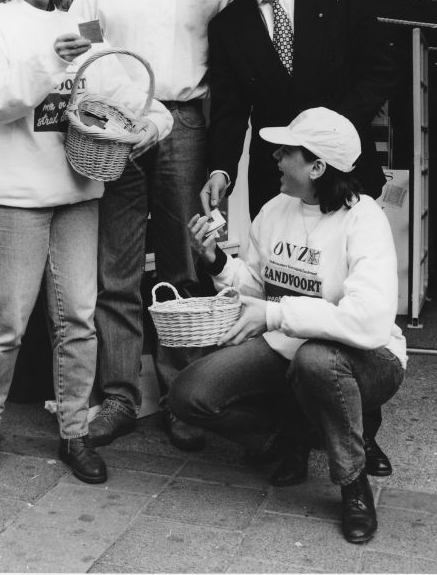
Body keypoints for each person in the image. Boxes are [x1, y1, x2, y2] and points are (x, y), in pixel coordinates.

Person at [0, 0, 173, 484]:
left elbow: (130, 91)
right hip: (13, 195)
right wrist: (51, 59)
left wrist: (152, 125)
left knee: (79, 319)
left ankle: (74, 432)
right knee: (7, 321)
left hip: (78, 193)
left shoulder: (83, 28)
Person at [199, 0, 395, 476]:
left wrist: (327, 138)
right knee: (288, 300)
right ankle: (292, 433)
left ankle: (362, 432)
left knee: (345, 300)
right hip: (278, 182)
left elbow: (380, 70)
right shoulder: (230, 25)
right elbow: (230, 110)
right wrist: (220, 171)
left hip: (347, 172)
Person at [169, 107, 407, 544]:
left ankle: (353, 483)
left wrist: (276, 315)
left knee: (317, 360)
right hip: (286, 348)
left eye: (287, 151)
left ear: (317, 167)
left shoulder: (364, 219)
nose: (275, 156)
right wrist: (216, 261)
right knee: (188, 395)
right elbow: (257, 286)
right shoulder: (276, 209)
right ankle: (291, 436)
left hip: (368, 359)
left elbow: (369, 321)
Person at [69, 0, 235, 451]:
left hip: (184, 123)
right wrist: (120, 107)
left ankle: (183, 398)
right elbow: (82, 45)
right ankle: (120, 398)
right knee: (115, 267)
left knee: (182, 264)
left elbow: (235, 61)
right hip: (116, 122)